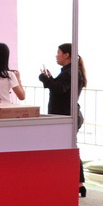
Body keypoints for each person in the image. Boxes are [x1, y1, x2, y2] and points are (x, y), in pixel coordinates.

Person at [39, 42, 88, 197]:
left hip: (66, 115)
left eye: (58, 53)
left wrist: (45, 80)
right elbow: (61, 88)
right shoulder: (71, 72)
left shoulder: (71, 72)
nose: (56, 56)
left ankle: (77, 183)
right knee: (68, 147)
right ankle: (77, 183)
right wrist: (50, 79)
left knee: (68, 148)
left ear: (66, 55)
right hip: (66, 114)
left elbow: (59, 89)